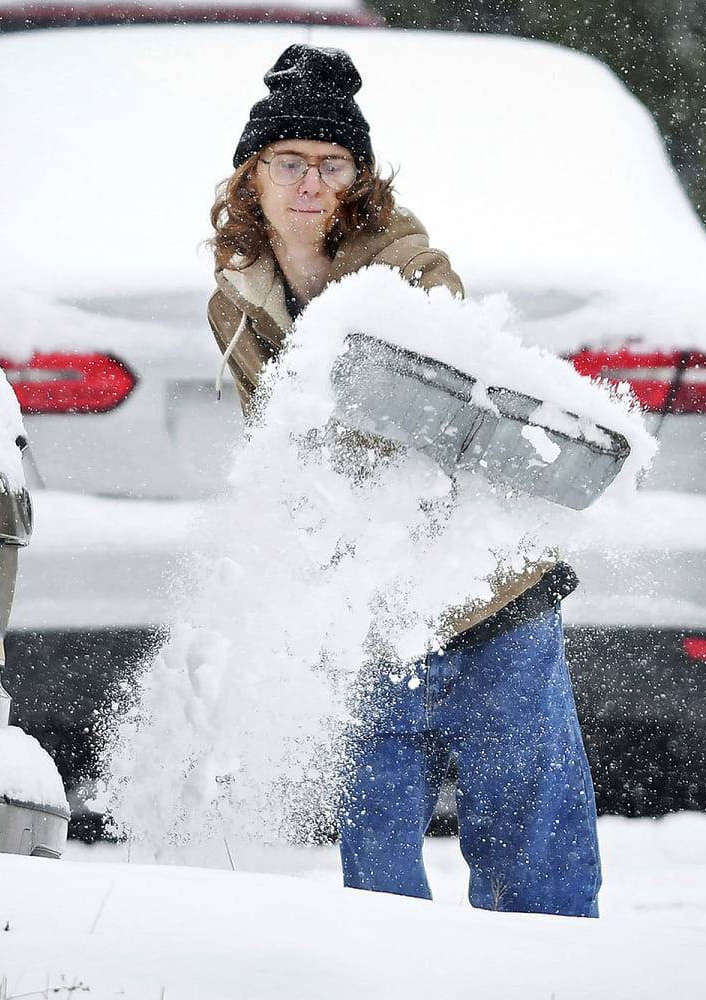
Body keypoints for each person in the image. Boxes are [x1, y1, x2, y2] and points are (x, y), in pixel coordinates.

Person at [206, 43, 601, 918]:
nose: (311, 184)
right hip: (372, 606)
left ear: (360, 178)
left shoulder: (411, 269)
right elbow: (278, 445)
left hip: (489, 588)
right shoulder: (235, 299)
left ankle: (555, 979)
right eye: (290, 162)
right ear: (253, 176)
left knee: (529, 843)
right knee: (377, 849)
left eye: (333, 164)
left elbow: (455, 421)